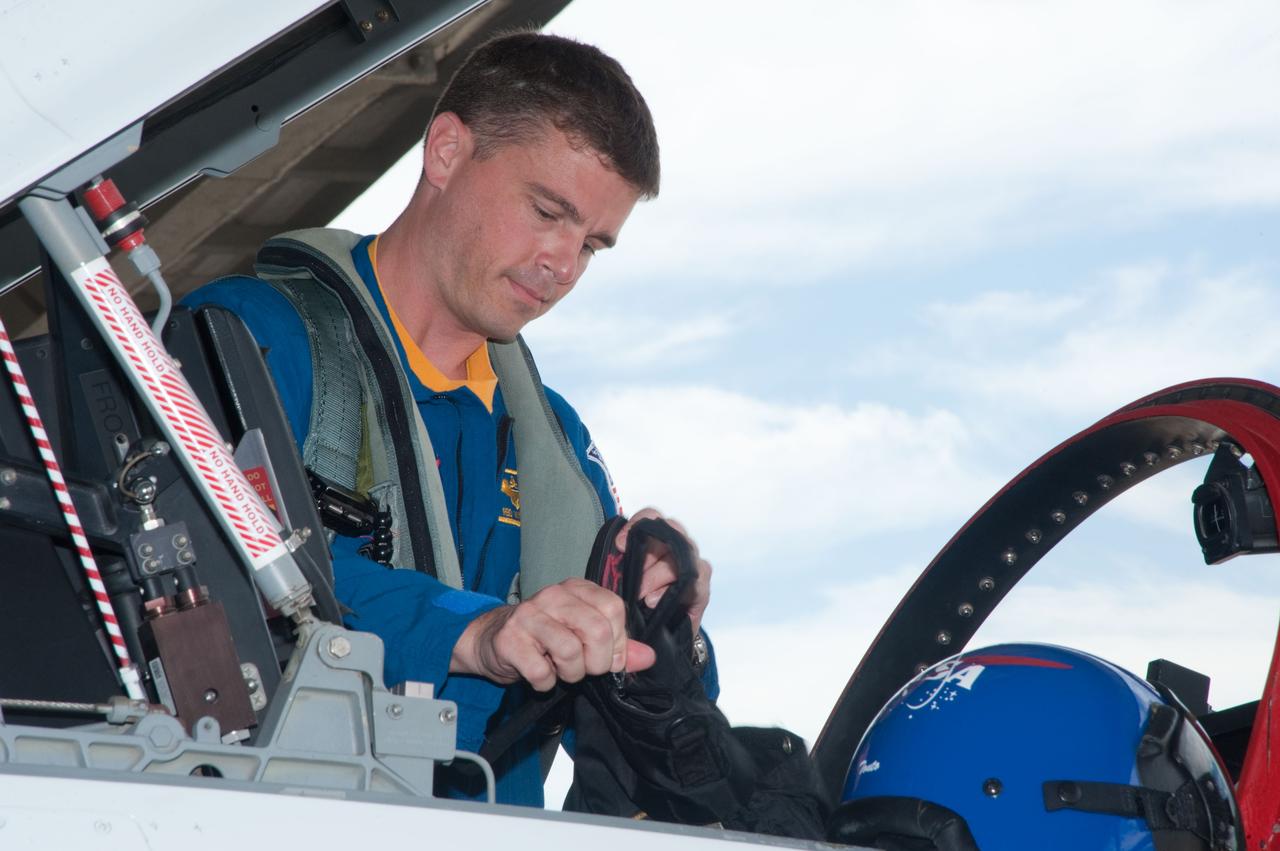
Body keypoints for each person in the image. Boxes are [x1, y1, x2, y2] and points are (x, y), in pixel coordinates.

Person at [185, 31, 715, 806]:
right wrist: (475, 633)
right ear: (445, 152)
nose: (562, 265)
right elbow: (218, 572)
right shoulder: (245, 340)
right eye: (546, 211)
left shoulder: (558, 445)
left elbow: (642, 720)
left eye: (591, 244)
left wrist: (668, 625)